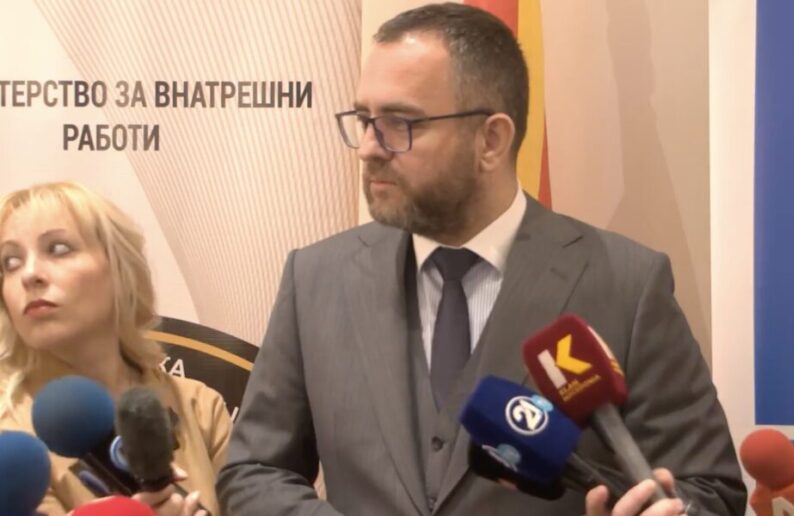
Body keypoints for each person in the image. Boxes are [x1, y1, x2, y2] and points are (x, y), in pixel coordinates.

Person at [217, 3, 746, 515]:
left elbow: (710, 490)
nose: (369, 148)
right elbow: (254, 471)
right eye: (363, 119)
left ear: (491, 140)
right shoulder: (316, 279)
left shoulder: (627, 285)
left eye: (400, 123)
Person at [0, 182, 232, 516]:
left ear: (120, 269)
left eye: (58, 249)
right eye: (10, 262)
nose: (30, 274)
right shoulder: (9, 439)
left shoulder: (200, 406)